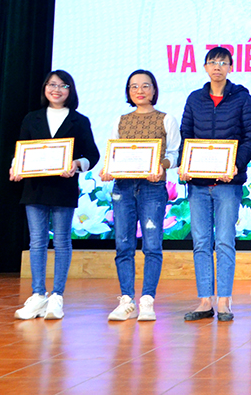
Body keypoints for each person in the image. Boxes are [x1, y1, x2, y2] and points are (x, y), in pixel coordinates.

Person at [10, 70, 100, 320]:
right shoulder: (32, 118)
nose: (56, 90)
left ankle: (57, 296)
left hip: (63, 187)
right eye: (52, 84)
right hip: (35, 188)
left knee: (61, 241)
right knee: (37, 242)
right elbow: (21, 149)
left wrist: (77, 164)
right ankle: (38, 295)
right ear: (45, 88)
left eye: (63, 86)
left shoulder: (79, 120)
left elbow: (92, 155)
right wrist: (15, 167)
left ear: (70, 91)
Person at [179, 47, 251, 322]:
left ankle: (224, 300)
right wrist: (185, 165)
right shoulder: (195, 98)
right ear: (205, 67)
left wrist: (237, 165)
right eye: (212, 62)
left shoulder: (243, 98)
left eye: (223, 63)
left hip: (228, 183)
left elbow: (250, 137)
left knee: (224, 241)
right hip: (198, 184)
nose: (217, 67)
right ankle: (205, 300)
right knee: (201, 241)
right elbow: (186, 135)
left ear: (230, 67)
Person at [101, 69, 180, 322]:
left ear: (154, 90)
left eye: (146, 86)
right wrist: (107, 169)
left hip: (153, 188)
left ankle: (147, 300)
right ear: (128, 91)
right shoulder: (120, 120)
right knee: (123, 244)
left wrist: (162, 166)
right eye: (134, 86)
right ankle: (127, 300)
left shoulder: (166, 119)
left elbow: (175, 154)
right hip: (123, 188)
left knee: (152, 245)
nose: (140, 91)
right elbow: (113, 152)